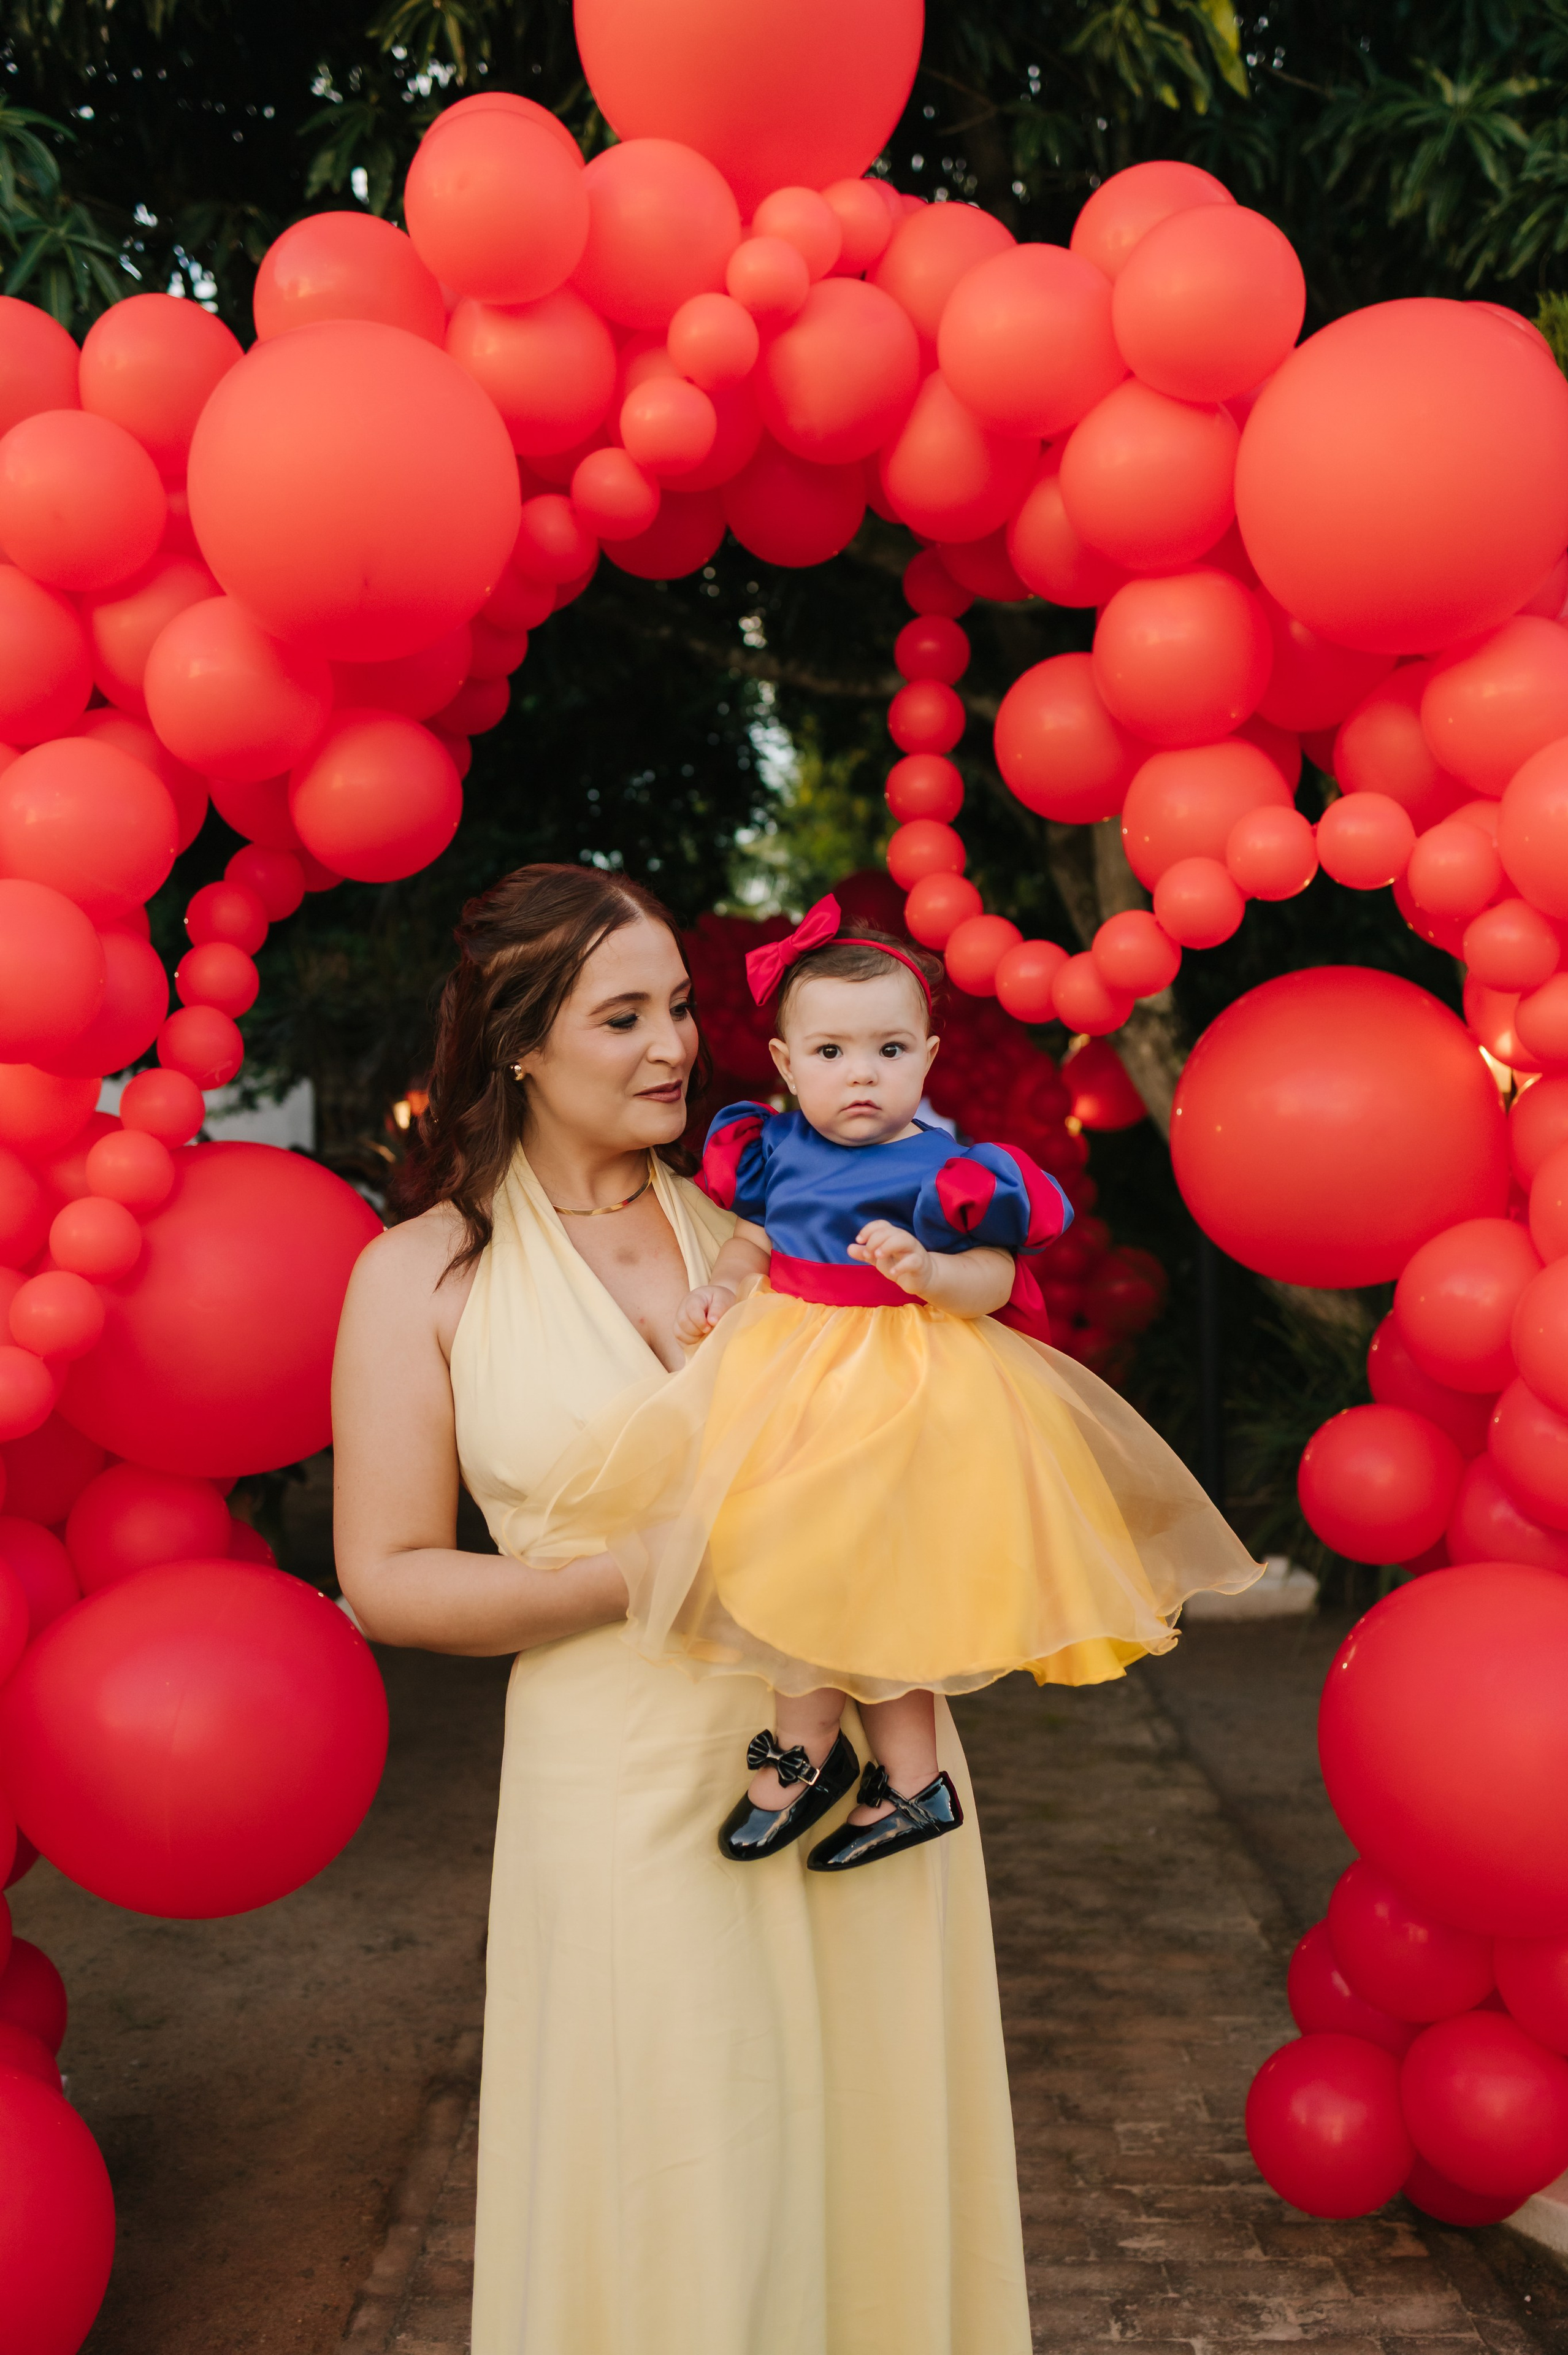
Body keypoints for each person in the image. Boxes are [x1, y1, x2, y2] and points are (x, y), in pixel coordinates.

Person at [331, 864, 1034, 2355]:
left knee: (875, 2167)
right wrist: (640, 1570)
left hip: (860, 1770)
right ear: (521, 1042)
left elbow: (958, 1399)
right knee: (680, 2181)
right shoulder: (418, 1279)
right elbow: (387, 1579)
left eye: (677, 1011)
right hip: (625, 1777)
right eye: (622, 1016)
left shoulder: (778, 1205)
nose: (671, 1047)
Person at [520, 895, 1261, 1876]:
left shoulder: (949, 1169)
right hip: (788, 1372)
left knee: (875, 1590)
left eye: (888, 1051)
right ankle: (869, 1774)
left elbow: (995, 1278)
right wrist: (720, 1291)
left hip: (907, 1384)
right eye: (828, 1053)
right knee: (802, 1568)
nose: (860, 1074)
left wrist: (929, 1272)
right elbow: (750, 1247)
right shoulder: (771, 1149)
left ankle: (862, 1770)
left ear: (928, 1056)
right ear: (784, 1066)